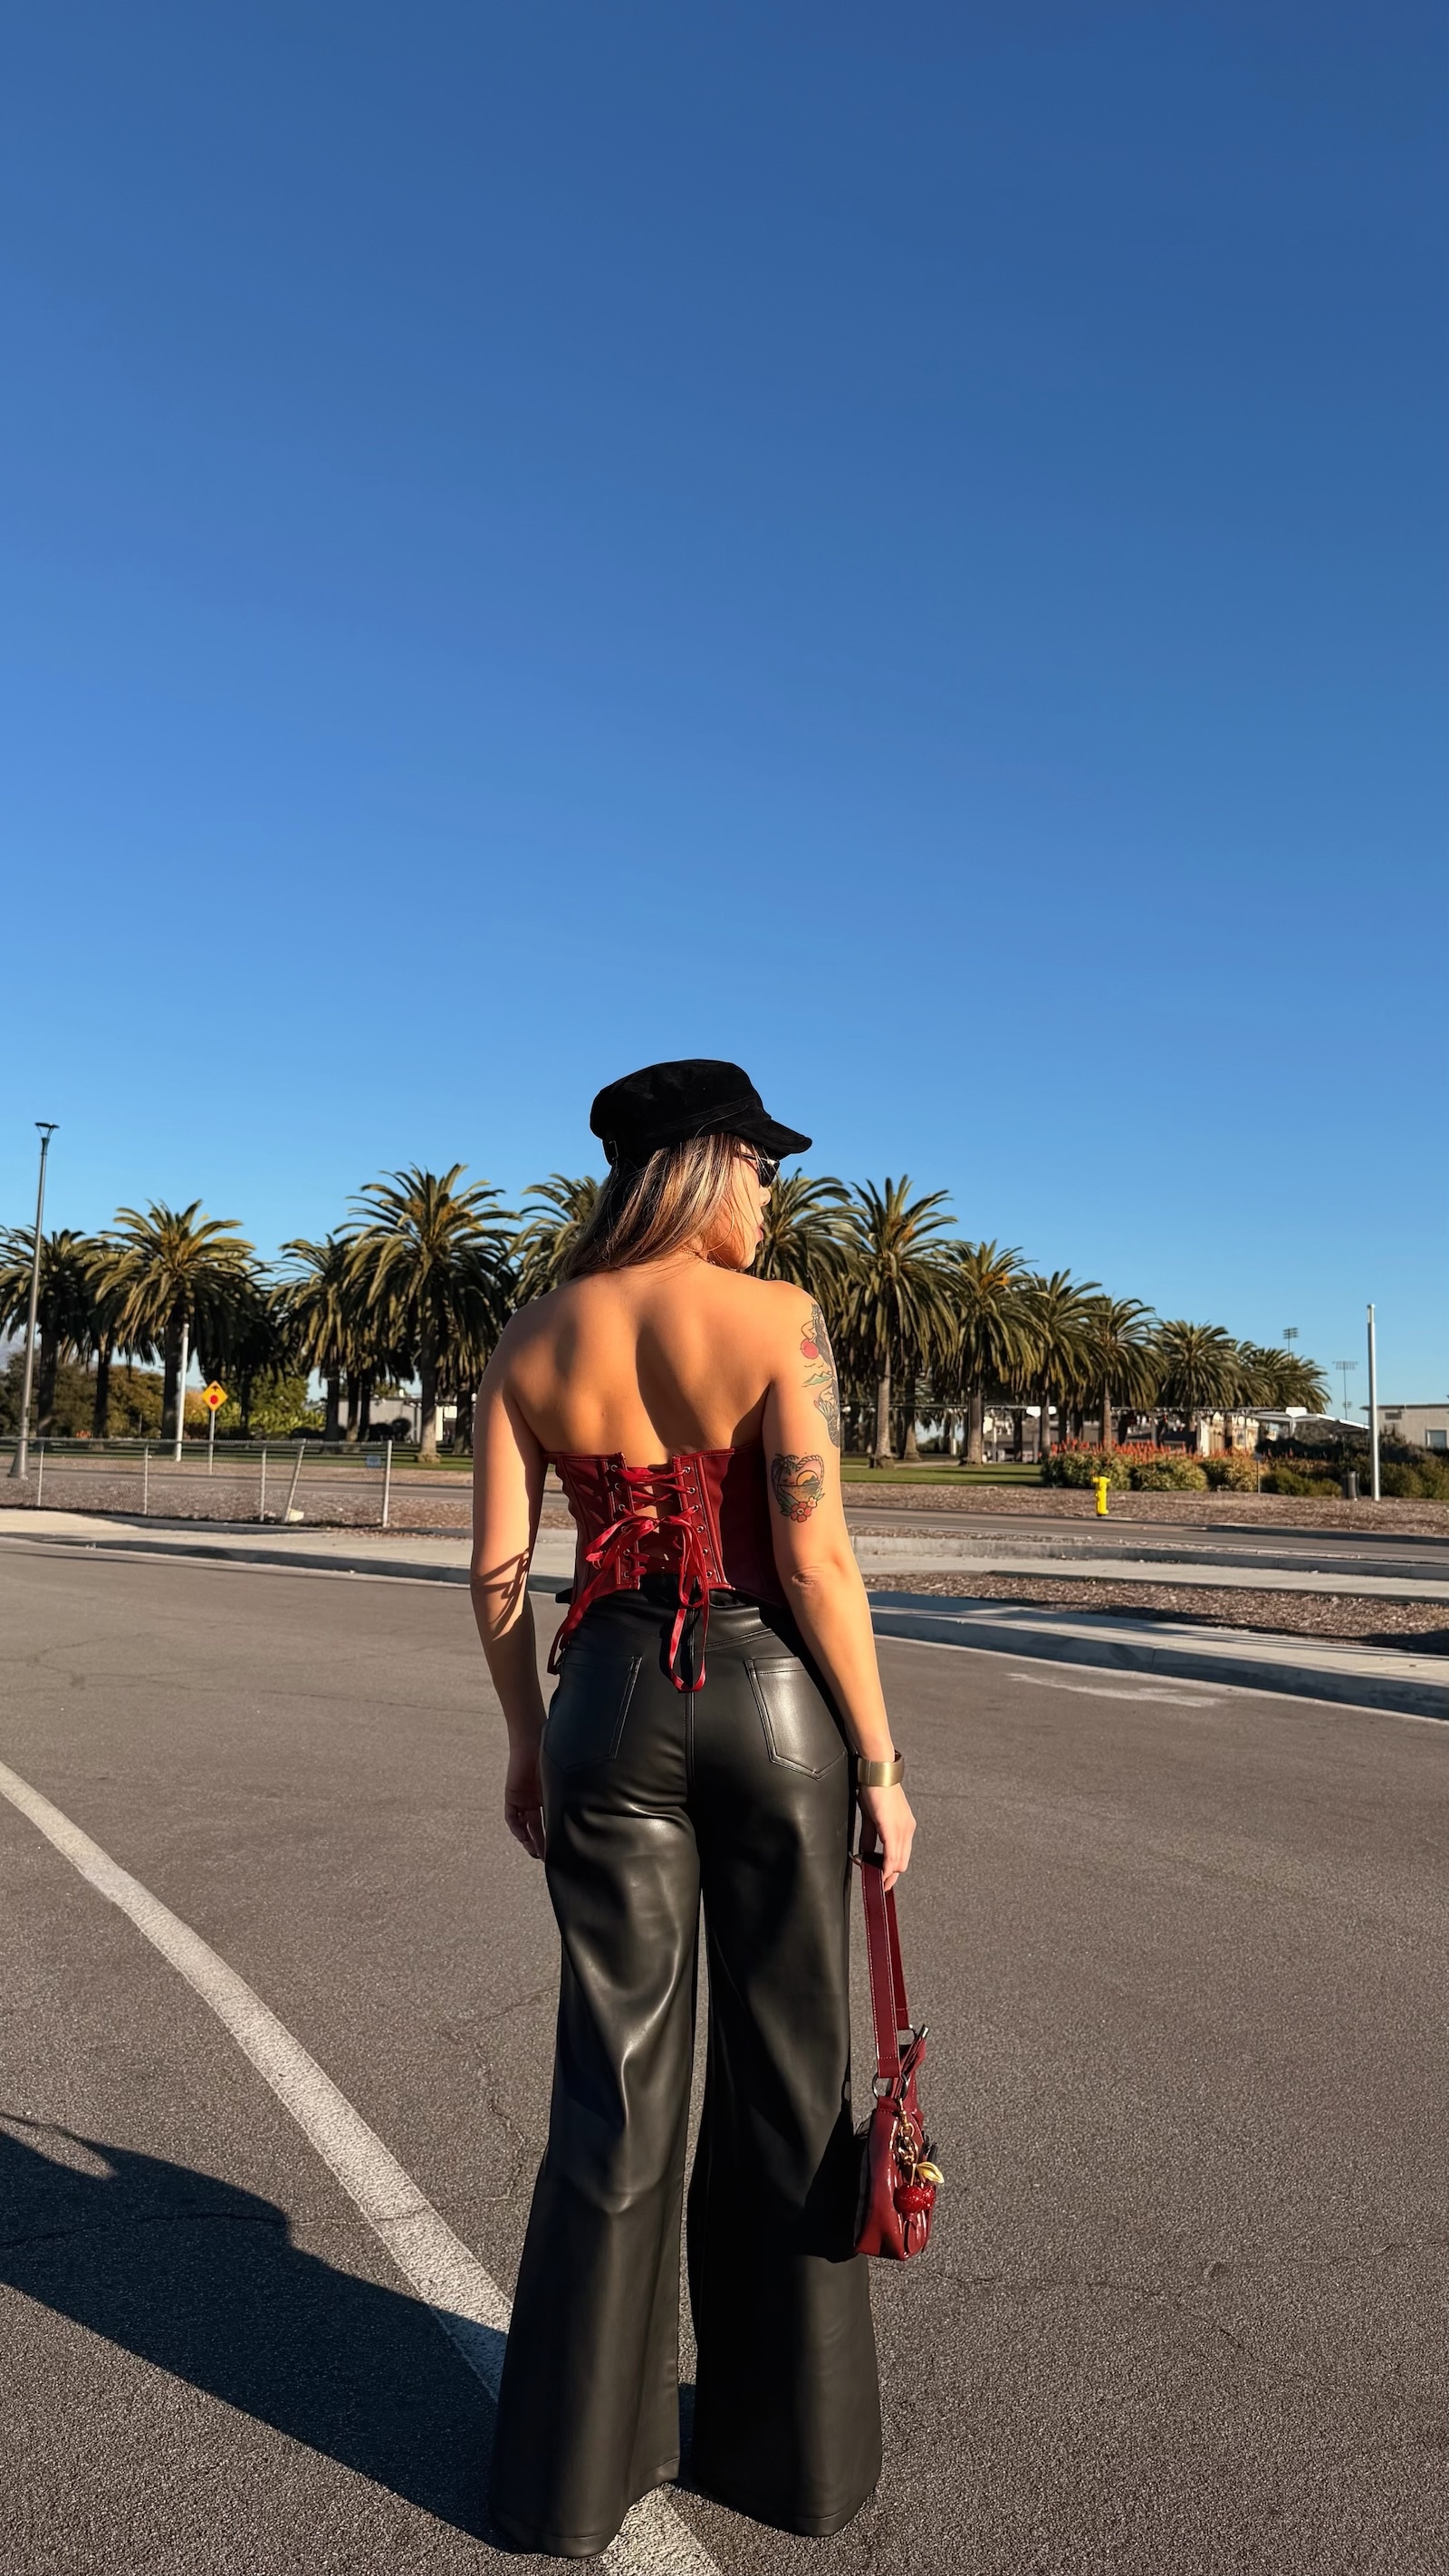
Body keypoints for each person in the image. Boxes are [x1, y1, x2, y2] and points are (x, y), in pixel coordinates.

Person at [469, 1058, 916, 2560]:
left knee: (613, 2088)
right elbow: (817, 1558)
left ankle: (565, 2480)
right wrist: (881, 1763)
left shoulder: (532, 1335)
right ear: (708, 1167)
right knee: (791, 2074)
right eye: (763, 1166)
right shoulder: (779, 1316)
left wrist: (528, 1745)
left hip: (602, 1700)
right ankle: (792, 2462)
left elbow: (494, 1576)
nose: (775, 1193)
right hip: (770, 1702)